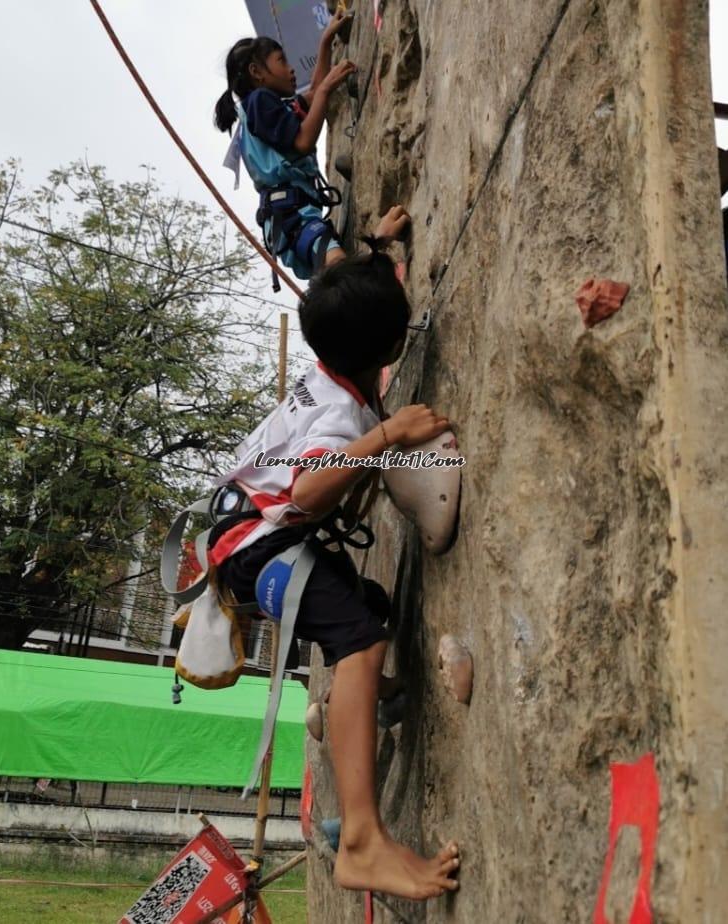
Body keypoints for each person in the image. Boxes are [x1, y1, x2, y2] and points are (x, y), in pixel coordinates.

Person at [209, 212, 461, 901]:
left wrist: (376, 250)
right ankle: (361, 841)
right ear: (384, 347)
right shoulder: (344, 416)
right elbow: (313, 485)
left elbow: (346, 303)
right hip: (255, 546)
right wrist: (390, 431)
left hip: (242, 532)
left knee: (367, 612)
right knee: (359, 640)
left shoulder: (333, 368)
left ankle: (353, 706)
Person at [214, 12, 356, 288]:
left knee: (335, 276)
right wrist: (327, 90)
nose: (291, 69)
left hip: (294, 215)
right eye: (282, 61)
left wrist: (326, 41)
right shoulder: (260, 101)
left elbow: (313, 92)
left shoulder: (271, 107)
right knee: (340, 267)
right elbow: (303, 141)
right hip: (293, 216)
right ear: (257, 73)